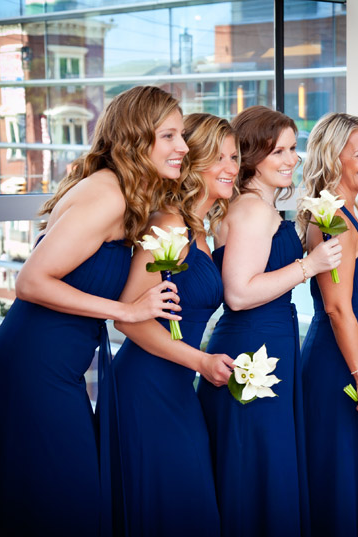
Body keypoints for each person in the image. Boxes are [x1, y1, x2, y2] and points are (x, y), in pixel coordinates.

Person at [0, 85, 183, 536]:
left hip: (56, 371)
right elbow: (31, 281)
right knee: (63, 504)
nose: (183, 146)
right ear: (136, 137)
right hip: (31, 371)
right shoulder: (108, 194)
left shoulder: (124, 193)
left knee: (54, 503)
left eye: (182, 136)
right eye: (169, 136)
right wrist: (127, 311)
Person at [197, 106, 341, 537]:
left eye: (293, 149)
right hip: (253, 348)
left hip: (266, 342)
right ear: (252, 156)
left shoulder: (253, 207)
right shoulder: (254, 211)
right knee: (258, 470)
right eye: (279, 151)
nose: (292, 159)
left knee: (260, 467)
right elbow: (239, 294)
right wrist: (309, 265)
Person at [112, 112, 236, 536]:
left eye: (235, 158)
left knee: (189, 504)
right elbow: (129, 318)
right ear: (195, 162)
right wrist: (201, 361)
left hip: (179, 383)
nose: (231, 168)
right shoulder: (169, 225)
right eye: (219, 158)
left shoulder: (204, 229)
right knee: (170, 504)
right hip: (145, 385)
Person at [298, 113, 358, 537]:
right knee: (340, 476)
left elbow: (357, 296)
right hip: (337, 363)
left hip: (356, 351)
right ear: (331, 155)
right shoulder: (330, 219)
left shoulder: (350, 212)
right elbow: (338, 309)